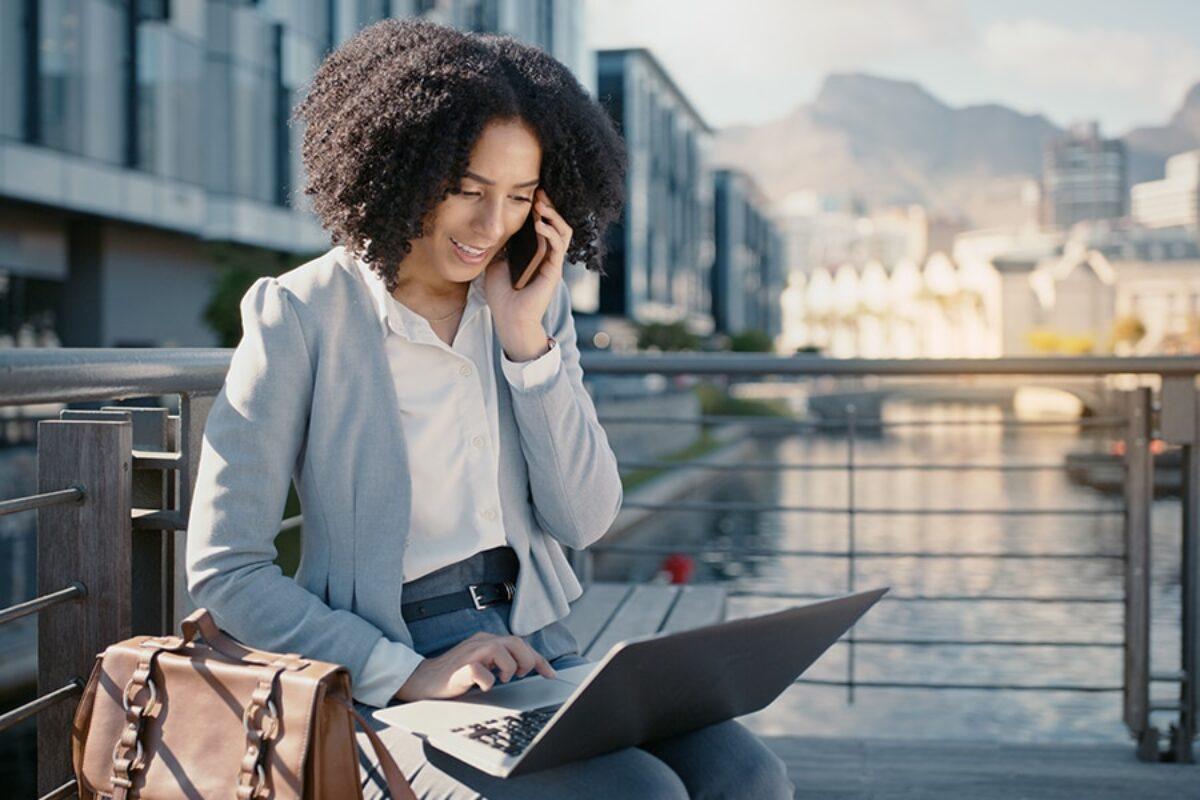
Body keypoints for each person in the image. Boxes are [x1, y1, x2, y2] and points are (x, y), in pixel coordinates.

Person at [185, 18, 793, 799]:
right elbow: (226, 569)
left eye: (517, 198)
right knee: (639, 794)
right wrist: (407, 672)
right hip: (385, 664)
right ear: (403, 166)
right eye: (466, 189)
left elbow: (585, 519)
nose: (488, 226)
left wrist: (525, 344)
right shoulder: (302, 314)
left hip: (534, 644)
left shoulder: (532, 307)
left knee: (748, 774)